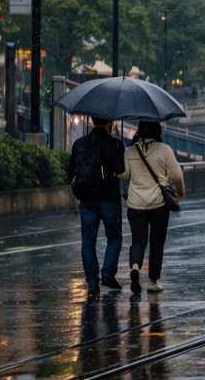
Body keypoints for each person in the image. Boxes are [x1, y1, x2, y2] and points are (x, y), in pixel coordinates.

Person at [120, 121, 185, 294]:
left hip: (135, 204)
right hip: (158, 204)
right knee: (157, 242)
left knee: (138, 240)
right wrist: (180, 194)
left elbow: (123, 174)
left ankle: (135, 266)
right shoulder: (165, 150)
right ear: (158, 130)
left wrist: (124, 153)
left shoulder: (130, 151)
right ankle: (153, 281)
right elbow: (177, 175)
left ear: (139, 131)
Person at [67, 116, 126, 294]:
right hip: (109, 198)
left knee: (88, 241)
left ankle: (92, 282)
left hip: (87, 199)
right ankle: (108, 273)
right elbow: (121, 170)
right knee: (114, 237)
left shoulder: (79, 144)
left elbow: (70, 171)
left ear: (92, 120)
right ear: (110, 123)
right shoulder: (115, 144)